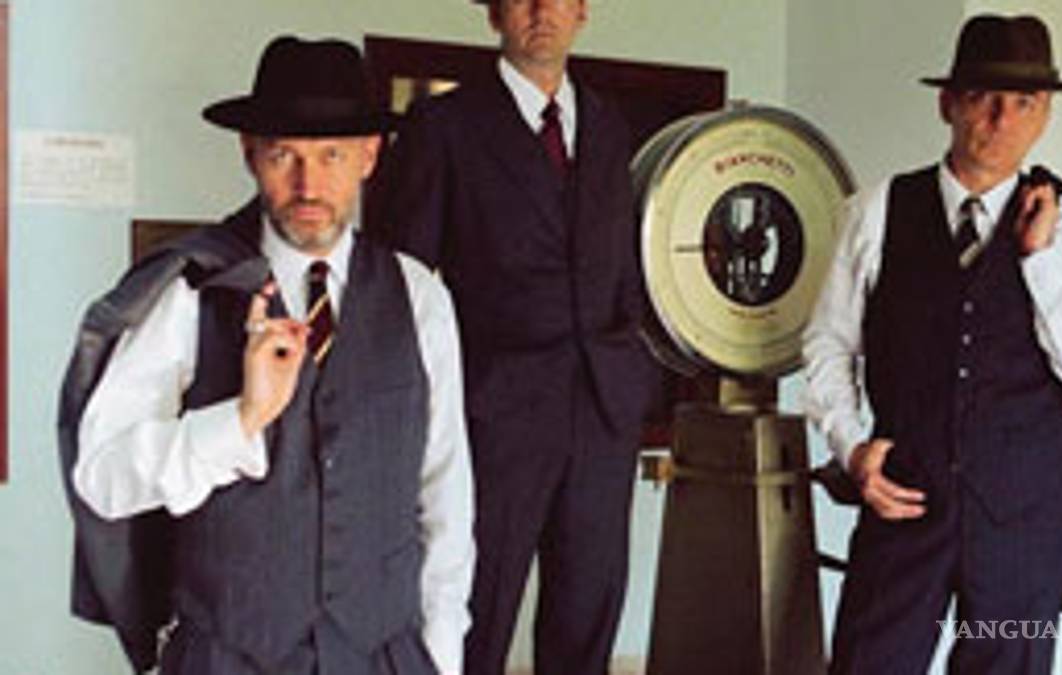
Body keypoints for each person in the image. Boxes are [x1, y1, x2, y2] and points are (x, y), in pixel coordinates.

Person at [60, 36, 473, 675]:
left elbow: (445, 496)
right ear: (250, 153)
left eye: (332, 155)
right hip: (227, 655)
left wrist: (440, 658)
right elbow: (102, 477)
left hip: (384, 655)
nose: (309, 185)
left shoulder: (419, 297)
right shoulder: (190, 289)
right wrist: (240, 420)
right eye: (285, 155)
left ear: (369, 156)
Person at [802, 14, 1062, 674]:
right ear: (947, 103)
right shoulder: (876, 211)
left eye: (1024, 102)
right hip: (906, 503)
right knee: (868, 662)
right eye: (983, 97)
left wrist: (1040, 261)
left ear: (1045, 114)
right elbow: (828, 342)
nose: (1003, 119)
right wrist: (852, 448)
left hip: (1024, 530)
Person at [374, 1, 655, 673]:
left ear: (582, 10)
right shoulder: (444, 126)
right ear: (495, 15)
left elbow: (625, 263)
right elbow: (404, 282)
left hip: (603, 411)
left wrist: (633, 366)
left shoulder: (611, 124)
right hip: (494, 412)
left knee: (588, 614)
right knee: (474, 609)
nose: (540, 11)